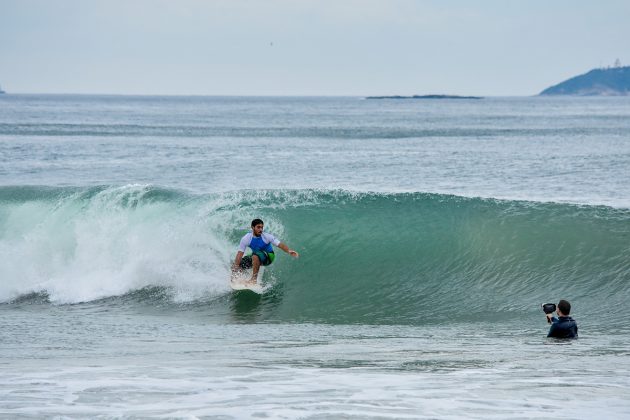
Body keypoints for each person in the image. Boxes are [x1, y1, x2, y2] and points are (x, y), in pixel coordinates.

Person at [232, 218, 299, 285]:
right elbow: (239, 254)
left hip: (269, 257)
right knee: (238, 263)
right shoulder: (246, 238)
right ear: (252, 227)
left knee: (255, 255)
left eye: (262, 227)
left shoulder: (266, 236)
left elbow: (279, 244)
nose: (261, 229)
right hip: (256, 255)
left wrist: (288, 251)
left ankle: (253, 280)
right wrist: (235, 269)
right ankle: (239, 278)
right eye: (258, 227)